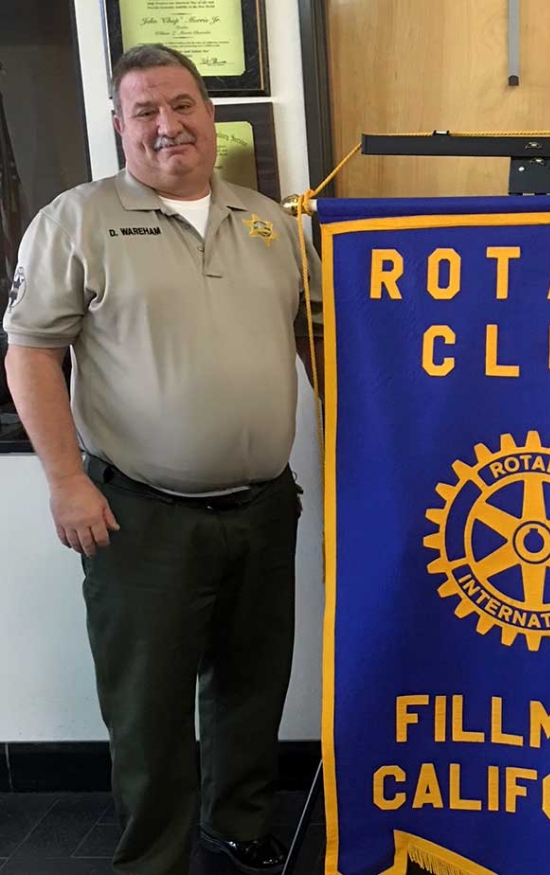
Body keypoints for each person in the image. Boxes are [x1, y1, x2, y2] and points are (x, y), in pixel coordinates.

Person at [3, 44, 322, 875]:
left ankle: (240, 826)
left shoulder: (270, 223)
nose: (166, 125)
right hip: (139, 514)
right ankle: (154, 858)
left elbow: (308, 337)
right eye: (144, 111)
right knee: (147, 709)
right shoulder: (77, 219)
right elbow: (31, 352)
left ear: (211, 118)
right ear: (119, 126)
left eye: (182, 105)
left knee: (253, 690)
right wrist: (66, 481)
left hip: (261, 506)